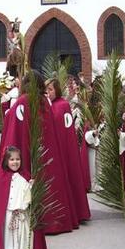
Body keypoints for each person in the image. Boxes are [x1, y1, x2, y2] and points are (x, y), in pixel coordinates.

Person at [0, 70, 78, 233]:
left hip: (26, 153)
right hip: (47, 153)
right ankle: (53, 221)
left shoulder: (22, 102)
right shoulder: (44, 101)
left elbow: (13, 130)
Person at [0, 146, 49, 249]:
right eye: (12, 159)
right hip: (9, 215)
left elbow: (27, 195)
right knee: (9, 240)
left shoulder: (25, 176)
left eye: (17, 159)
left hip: (22, 214)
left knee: (22, 238)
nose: (15, 162)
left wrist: (32, 186)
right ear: (6, 161)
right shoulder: (0, 179)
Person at [46, 78, 90, 221]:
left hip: (63, 149)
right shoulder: (48, 105)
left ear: (57, 90)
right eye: (46, 89)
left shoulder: (62, 105)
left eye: (50, 89)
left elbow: (66, 130)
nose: (47, 92)